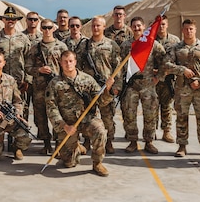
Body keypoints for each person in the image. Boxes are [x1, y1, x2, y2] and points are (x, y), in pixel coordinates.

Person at [45, 50, 115, 176]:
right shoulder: (54, 84)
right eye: (65, 62)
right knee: (69, 163)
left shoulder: (87, 79)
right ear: (60, 63)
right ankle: (76, 146)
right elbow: (51, 108)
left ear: (75, 62)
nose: (68, 64)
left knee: (100, 130)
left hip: (87, 120)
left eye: (71, 61)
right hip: (68, 125)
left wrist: (107, 90)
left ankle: (97, 163)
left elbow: (100, 101)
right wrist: (64, 126)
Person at [119, 17, 166, 154]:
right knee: (129, 114)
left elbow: (165, 61)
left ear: (144, 27)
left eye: (139, 26)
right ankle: (133, 141)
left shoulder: (152, 44)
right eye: (134, 26)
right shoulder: (126, 45)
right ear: (130, 28)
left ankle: (149, 141)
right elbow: (120, 65)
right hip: (132, 85)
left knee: (150, 114)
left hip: (148, 84)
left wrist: (159, 77)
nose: (137, 28)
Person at [76, 16, 121, 154]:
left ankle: (109, 142)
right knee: (88, 116)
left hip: (106, 87)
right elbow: (77, 66)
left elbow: (118, 67)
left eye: (98, 26)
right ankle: (88, 140)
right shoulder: (83, 45)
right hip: (88, 88)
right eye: (93, 26)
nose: (95, 28)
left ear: (103, 27)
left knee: (107, 117)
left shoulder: (112, 45)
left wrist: (116, 87)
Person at [164, 19, 200, 157]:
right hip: (182, 88)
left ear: (195, 30)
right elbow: (167, 64)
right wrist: (181, 69)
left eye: (191, 29)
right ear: (182, 30)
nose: (188, 31)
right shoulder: (176, 48)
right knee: (182, 117)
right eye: (186, 29)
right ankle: (182, 146)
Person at [0, 6, 31, 150]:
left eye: (13, 19)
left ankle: (18, 147)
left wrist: (28, 80)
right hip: (1, 84)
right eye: (7, 19)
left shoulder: (23, 39)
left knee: (19, 113)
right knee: (2, 113)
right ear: (3, 20)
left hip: (19, 83)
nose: (10, 21)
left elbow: (29, 60)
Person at [25, 19, 68, 155]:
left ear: (54, 29)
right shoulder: (35, 48)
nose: (47, 30)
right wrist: (39, 70)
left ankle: (59, 144)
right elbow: (27, 67)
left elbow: (68, 66)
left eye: (49, 27)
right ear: (41, 29)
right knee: (41, 117)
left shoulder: (61, 47)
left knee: (58, 115)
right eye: (44, 28)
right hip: (40, 88)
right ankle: (46, 143)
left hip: (57, 88)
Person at [155, 15, 180, 143]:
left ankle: (166, 132)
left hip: (168, 80)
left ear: (167, 25)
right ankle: (151, 131)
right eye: (159, 24)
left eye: (163, 24)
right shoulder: (150, 40)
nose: (161, 27)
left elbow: (178, 60)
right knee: (152, 106)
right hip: (153, 79)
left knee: (167, 106)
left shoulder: (175, 41)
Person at [22, 11, 42, 121]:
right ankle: (21, 135)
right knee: (22, 108)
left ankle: (43, 136)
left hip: (38, 80)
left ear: (38, 21)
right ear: (26, 20)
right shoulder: (19, 37)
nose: (32, 21)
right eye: (30, 19)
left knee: (39, 110)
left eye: (35, 19)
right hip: (23, 79)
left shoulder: (43, 38)